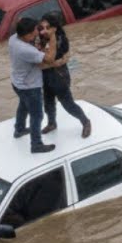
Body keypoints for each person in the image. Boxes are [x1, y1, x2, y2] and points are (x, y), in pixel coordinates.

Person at [38, 12, 92, 139]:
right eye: (42, 28)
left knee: (68, 104)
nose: (44, 31)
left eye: (48, 27)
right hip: (45, 77)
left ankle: (85, 122)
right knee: (48, 103)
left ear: (55, 28)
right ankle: (52, 124)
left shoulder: (61, 39)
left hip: (59, 76)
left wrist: (58, 62)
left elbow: (63, 58)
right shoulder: (39, 39)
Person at [10, 17, 56, 154]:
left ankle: (19, 129)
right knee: (37, 115)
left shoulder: (13, 39)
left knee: (23, 106)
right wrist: (52, 37)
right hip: (30, 87)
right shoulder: (25, 50)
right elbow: (49, 59)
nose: (38, 32)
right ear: (27, 35)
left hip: (17, 82)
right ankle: (36, 144)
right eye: (35, 30)